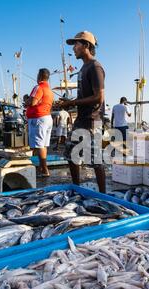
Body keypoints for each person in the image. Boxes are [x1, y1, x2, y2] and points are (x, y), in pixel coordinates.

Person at [58, 31, 106, 193]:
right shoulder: (83, 68)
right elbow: (84, 97)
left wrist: (72, 102)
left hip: (93, 121)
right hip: (81, 119)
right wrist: (68, 104)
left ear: (86, 46)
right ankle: (76, 189)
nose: (74, 48)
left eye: (77, 44)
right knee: (71, 155)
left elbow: (99, 97)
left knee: (95, 161)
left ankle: (104, 195)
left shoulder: (95, 67)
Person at [25, 69, 54, 177]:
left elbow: (33, 102)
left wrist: (26, 101)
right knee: (43, 145)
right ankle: (42, 168)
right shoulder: (49, 90)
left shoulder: (38, 87)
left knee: (39, 145)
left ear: (40, 76)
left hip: (38, 118)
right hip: (47, 118)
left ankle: (44, 169)